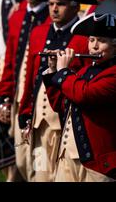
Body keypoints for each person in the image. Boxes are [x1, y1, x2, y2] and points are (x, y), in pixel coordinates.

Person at [18, 0, 98, 181]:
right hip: (39, 121)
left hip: (65, 123)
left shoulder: (83, 39)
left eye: (60, 4)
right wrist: (26, 110)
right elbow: (31, 76)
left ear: (75, 7)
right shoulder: (37, 32)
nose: (54, 9)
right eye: (51, 4)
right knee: (40, 174)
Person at [0, 0, 68, 181]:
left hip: (45, 104)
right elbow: (10, 61)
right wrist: (6, 97)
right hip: (22, 97)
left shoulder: (53, 19)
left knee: (41, 166)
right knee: (20, 158)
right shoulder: (17, 16)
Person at [42, 12, 116, 181]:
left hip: (98, 165)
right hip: (67, 157)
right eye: (91, 40)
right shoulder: (82, 72)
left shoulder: (113, 74)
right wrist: (53, 70)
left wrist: (64, 72)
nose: (95, 46)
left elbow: (84, 95)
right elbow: (60, 105)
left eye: (101, 41)